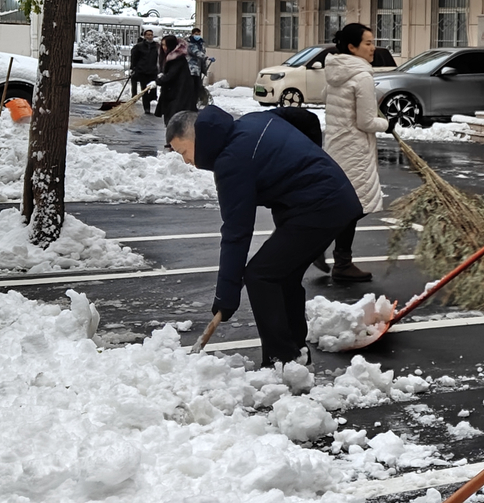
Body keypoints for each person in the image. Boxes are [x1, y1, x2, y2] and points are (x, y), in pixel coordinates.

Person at [165, 107, 362, 366]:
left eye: (184, 152)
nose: (186, 161)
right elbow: (307, 119)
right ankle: (294, 355)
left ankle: (281, 360)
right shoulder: (253, 120)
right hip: (330, 199)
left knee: (261, 276)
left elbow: (237, 232)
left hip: (319, 208)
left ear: (199, 138)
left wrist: (226, 298)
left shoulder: (232, 161)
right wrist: (309, 161)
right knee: (282, 276)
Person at [314, 22, 394, 283]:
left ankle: (338, 259)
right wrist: (388, 123)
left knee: (347, 205)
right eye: (368, 43)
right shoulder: (361, 76)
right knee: (354, 206)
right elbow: (366, 122)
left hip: (337, 146)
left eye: (373, 42)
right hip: (355, 151)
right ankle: (333, 256)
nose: (373, 48)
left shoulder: (337, 72)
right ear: (352, 47)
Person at [157, 35, 199, 124]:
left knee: (175, 120)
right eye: (162, 45)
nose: (163, 48)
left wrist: (158, 81)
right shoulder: (172, 57)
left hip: (179, 93)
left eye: (165, 45)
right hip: (174, 92)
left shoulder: (177, 59)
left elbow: (171, 75)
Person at [128, 29, 160, 115]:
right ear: (144, 36)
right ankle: (147, 108)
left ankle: (152, 97)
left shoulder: (156, 46)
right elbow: (134, 58)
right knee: (144, 89)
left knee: (153, 88)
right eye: (148, 35)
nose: (150, 36)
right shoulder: (139, 46)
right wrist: (133, 68)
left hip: (153, 71)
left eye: (151, 35)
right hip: (142, 71)